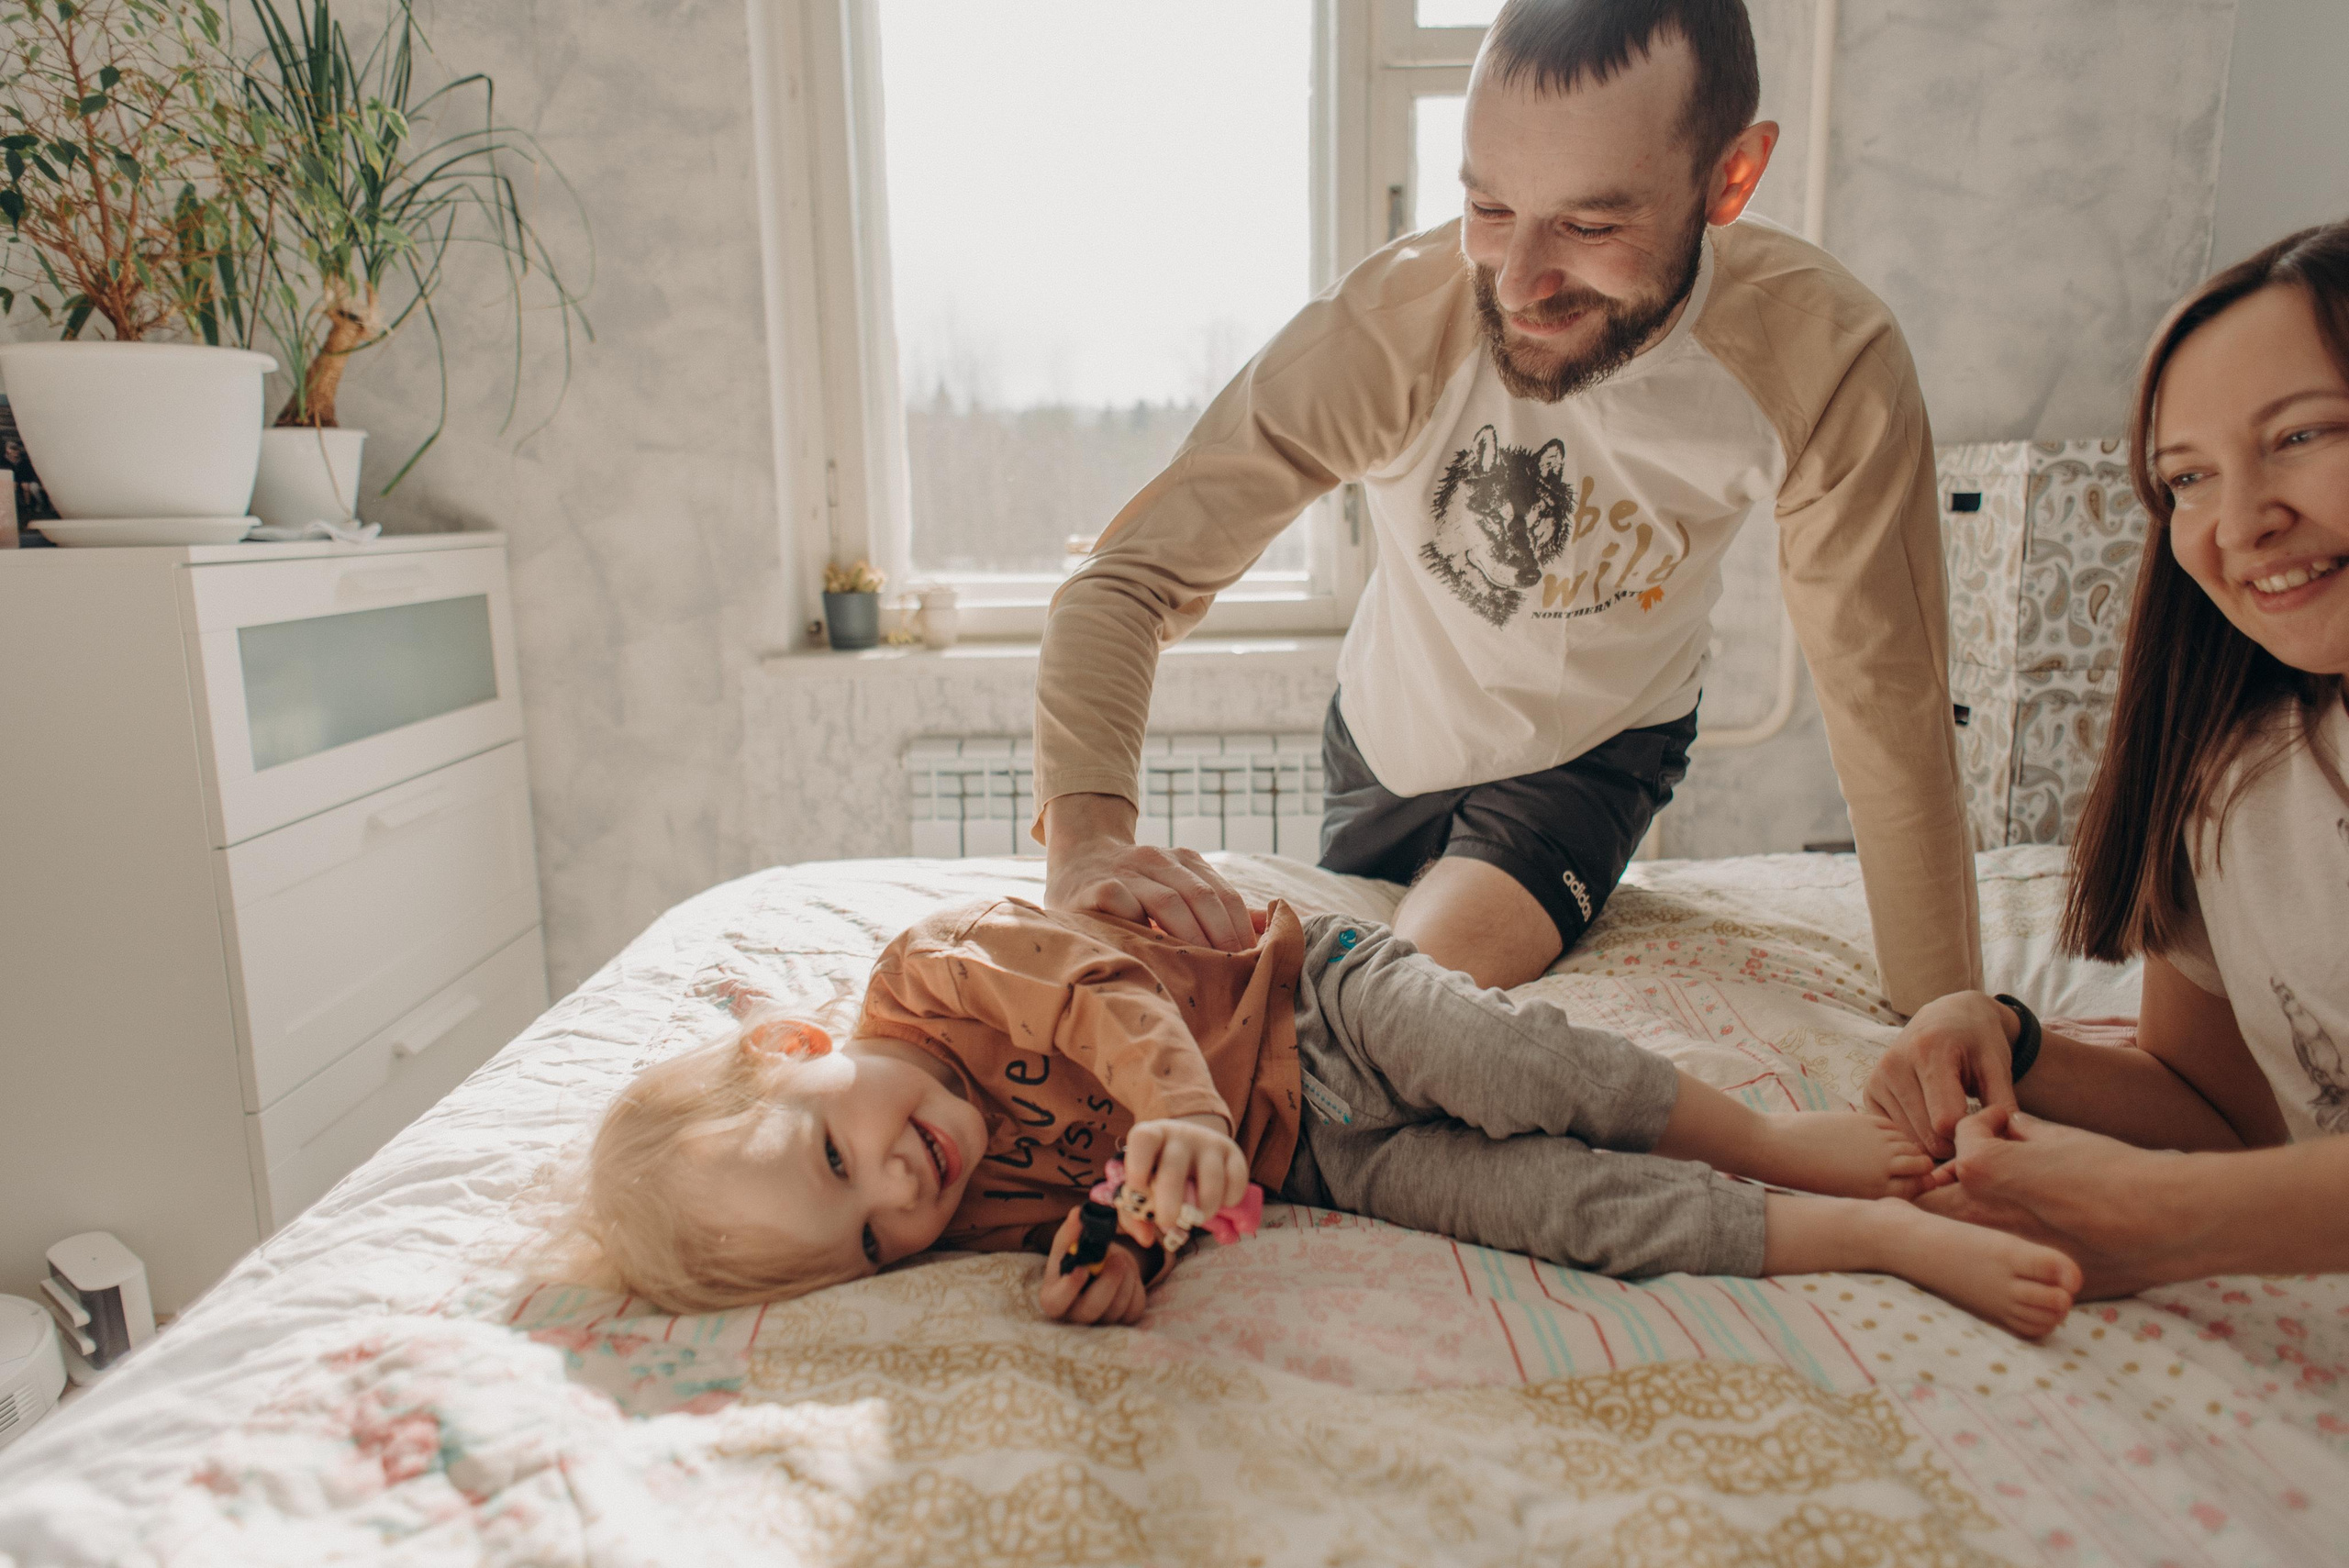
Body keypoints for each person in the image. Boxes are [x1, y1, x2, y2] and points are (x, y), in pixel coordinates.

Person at [1032, 0, 1978, 1013]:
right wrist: (1088, 841)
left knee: (1410, 985)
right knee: (1348, 948)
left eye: (1589, 223)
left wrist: (1949, 1014)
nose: (1519, 284)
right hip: (1385, 744)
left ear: (1729, 177)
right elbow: (1127, 578)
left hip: (1595, 749)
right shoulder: (1393, 325)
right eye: (1488, 209)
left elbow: (1890, 705)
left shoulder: (1826, 362)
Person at [552, 897, 2081, 1338]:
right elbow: (1196, 1205)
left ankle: (1764, 1134)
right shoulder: (969, 1201)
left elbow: (1105, 991)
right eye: (874, 1235)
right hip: (1318, 1160)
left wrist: (1176, 1109)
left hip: (1313, 998)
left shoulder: (935, 974)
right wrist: (1119, 1252)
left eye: (836, 1146)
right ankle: (1871, 1229)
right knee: (1555, 1210)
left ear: (797, 1042)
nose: (898, 1182)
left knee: (1515, 1066)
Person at [1863, 221, 2349, 1296]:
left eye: (2304, 436)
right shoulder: (2238, 778)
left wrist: (2172, 1219)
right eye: (2184, 479)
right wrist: (2003, 1033)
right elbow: (2223, 1112)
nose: (2240, 521)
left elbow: (2209, 1187)